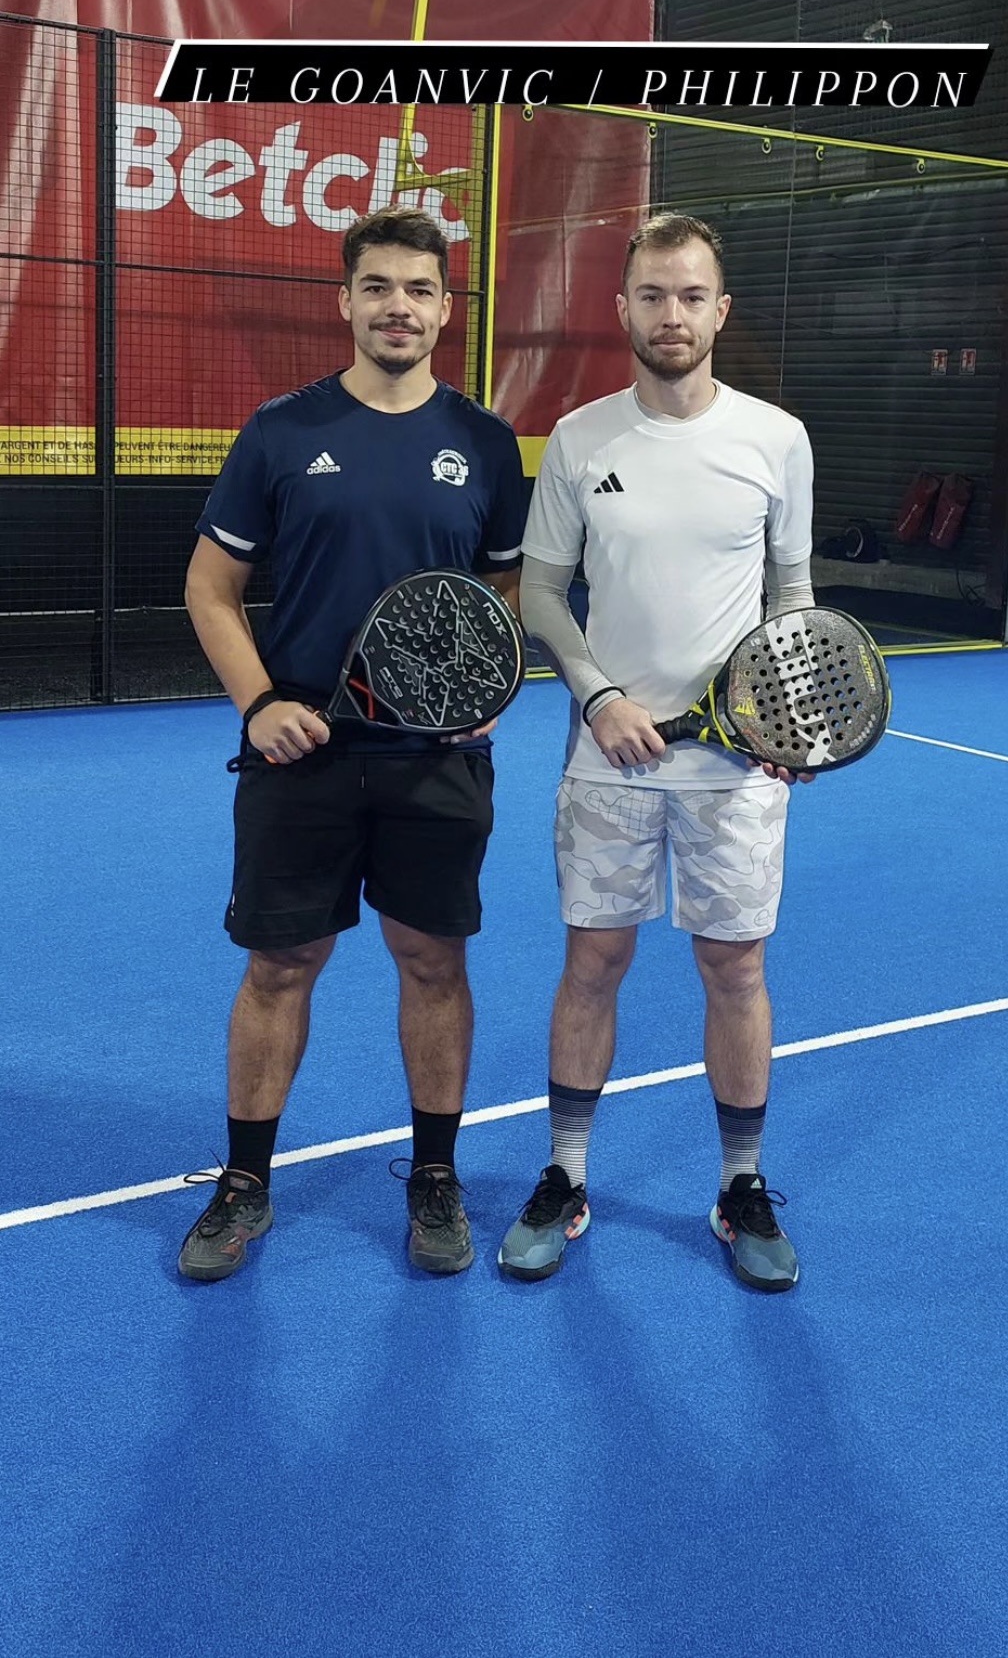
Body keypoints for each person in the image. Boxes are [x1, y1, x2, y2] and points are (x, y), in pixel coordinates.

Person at [179, 205, 527, 1283]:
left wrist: (490, 679)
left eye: (419, 290)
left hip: (436, 758)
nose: (398, 307)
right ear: (345, 301)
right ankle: (244, 1184)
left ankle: (435, 1177)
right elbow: (210, 588)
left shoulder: (485, 443)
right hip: (302, 755)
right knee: (279, 964)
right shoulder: (281, 431)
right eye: (378, 286)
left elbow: (509, 589)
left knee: (433, 961)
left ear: (446, 310)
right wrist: (256, 705)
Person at [498, 212, 815, 1292]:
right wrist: (597, 697)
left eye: (689, 296)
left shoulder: (777, 439)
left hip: (735, 769)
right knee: (592, 963)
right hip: (607, 763)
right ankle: (565, 1174)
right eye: (651, 295)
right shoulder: (580, 439)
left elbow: (790, 593)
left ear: (720, 311)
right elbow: (544, 590)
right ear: (621, 308)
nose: (670, 314)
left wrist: (784, 717)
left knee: (736, 968)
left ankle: (741, 1186)